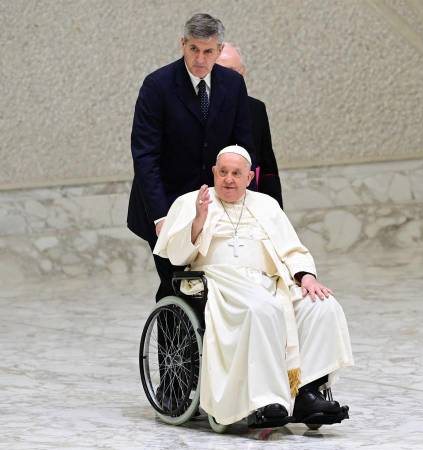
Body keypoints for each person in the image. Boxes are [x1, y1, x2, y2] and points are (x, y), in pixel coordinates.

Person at [154, 145, 353, 427]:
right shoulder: (192, 201)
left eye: (237, 173)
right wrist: (198, 219)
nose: (229, 179)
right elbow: (177, 256)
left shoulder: (266, 205)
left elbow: (291, 248)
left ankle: (307, 392)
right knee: (262, 308)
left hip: (271, 281)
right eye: (223, 172)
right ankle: (264, 401)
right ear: (214, 173)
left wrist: (305, 276)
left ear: (249, 178)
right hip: (219, 281)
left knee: (321, 306)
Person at [127, 13, 254, 303]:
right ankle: (174, 350)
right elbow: (145, 156)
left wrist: (242, 201)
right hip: (164, 203)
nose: (200, 58)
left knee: (212, 288)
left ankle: (208, 348)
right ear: (183, 44)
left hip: (214, 205)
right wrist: (161, 217)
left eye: (208, 51)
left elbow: (243, 147)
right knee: (176, 285)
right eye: (193, 49)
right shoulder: (157, 86)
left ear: (219, 50)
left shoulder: (233, 85)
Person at [216, 43, 283, 208]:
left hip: (248, 203)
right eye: (218, 71)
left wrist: (275, 212)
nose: (226, 78)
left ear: (242, 73)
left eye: (231, 71)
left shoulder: (256, 109)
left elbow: (267, 166)